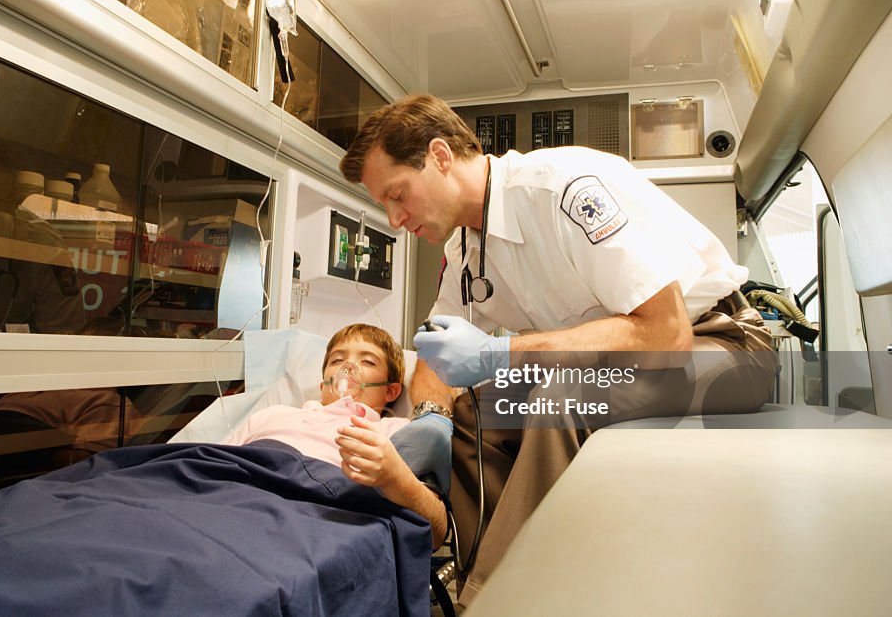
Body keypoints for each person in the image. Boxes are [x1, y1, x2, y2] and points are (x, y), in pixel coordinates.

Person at [339, 94, 778, 605]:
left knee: (562, 393)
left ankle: (504, 603)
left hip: (724, 341)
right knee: (473, 412)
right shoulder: (464, 248)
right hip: (638, 356)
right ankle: (483, 577)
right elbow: (436, 352)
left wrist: (501, 355)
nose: (394, 219)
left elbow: (666, 333)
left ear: (439, 157)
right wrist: (432, 416)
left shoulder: (563, 190)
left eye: (397, 195)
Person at [223, 323, 448, 548]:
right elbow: (213, 463)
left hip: (303, 521)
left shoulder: (393, 433)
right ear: (323, 385)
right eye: (337, 360)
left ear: (390, 391)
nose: (349, 366)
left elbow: (437, 530)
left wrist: (395, 477)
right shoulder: (273, 414)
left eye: (368, 361)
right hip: (229, 498)